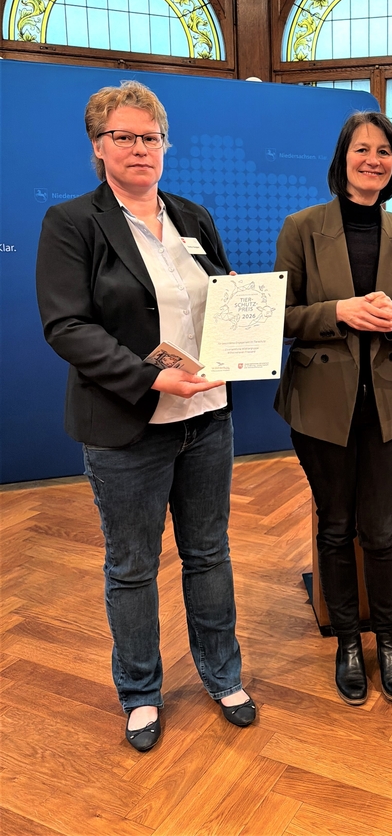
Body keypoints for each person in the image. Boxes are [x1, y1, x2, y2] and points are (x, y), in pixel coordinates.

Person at [36, 81, 255, 752]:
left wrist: (244, 333)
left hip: (207, 420)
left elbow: (221, 293)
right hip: (126, 426)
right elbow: (66, 325)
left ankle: (222, 673)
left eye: (150, 136)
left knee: (209, 552)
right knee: (133, 565)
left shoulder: (192, 214)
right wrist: (149, 375)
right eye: (124, 137)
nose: (140, 148)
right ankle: (139, 689)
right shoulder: (73, 223)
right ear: (98, 147)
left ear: (165, 144)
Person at [274, 111, 392, 705]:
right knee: (335, 528)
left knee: (380, 530)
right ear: (342, 160)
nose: (374, 160)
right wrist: (339, 311)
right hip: (320, 406)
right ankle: (345, 641)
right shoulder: (302, 226)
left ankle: (389, 642)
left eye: (384, 151)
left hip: (387, 404)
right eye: (362, 149)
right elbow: (280, 319)